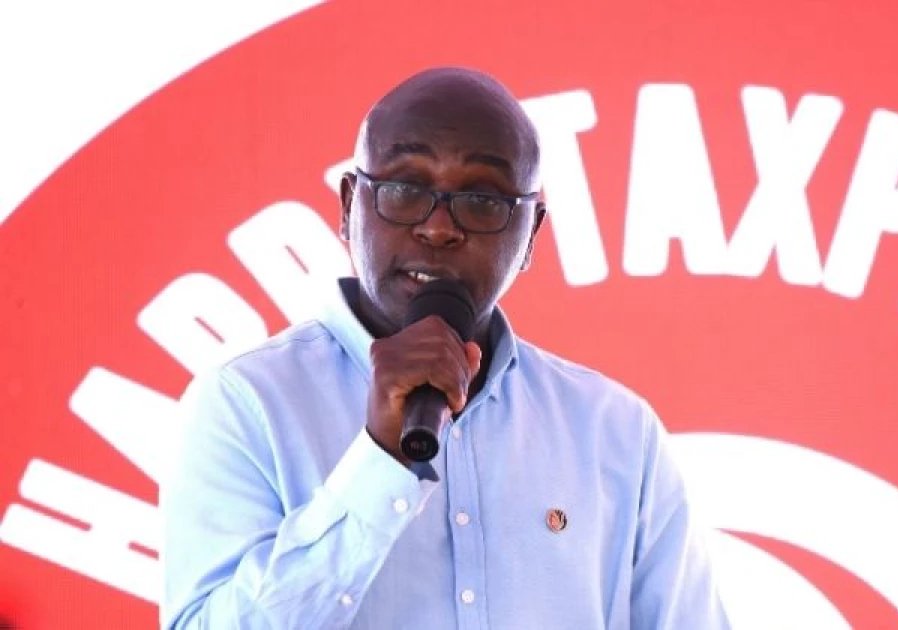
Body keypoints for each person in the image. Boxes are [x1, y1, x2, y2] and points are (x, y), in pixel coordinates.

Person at [160, 67, 730, 629]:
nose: (438, 228)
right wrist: (379, 462)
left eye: (481, 198)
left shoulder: (615, 432)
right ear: (348, 206)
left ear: (530, 234)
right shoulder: (245, 403)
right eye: (406, 189)